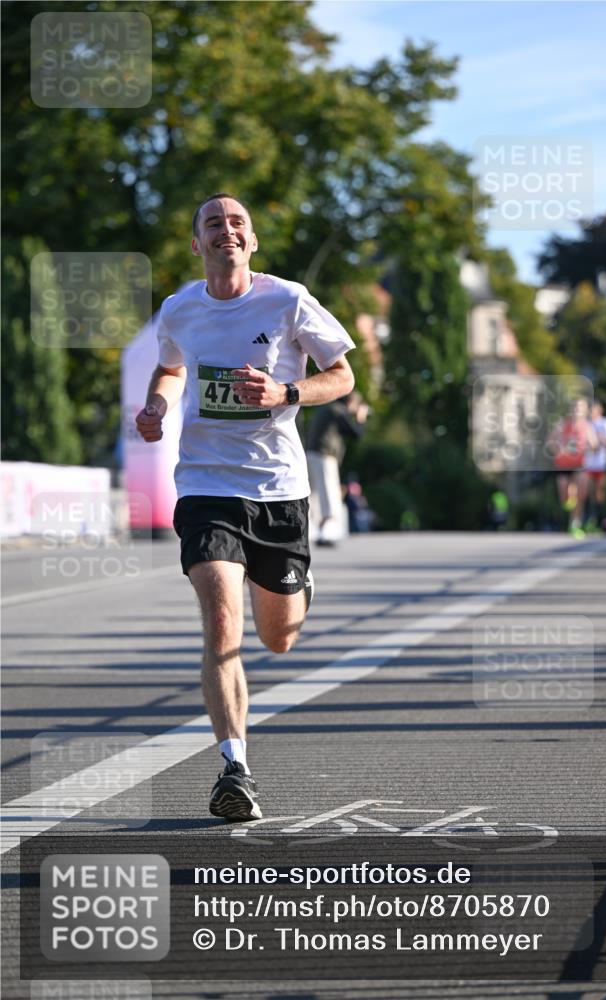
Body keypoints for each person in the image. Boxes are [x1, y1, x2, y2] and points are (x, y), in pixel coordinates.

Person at [135, 193, 355, 821]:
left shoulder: (286, 299)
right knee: (221, 618)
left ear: (251, 242)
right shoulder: (179, 309)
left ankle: (299, 584)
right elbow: (169, 370)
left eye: (237, 223)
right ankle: (236, 767)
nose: (226, 230)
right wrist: (157, 406)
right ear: (198, 244)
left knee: (278, 637)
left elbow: (342, 376)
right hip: (206, 485)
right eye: (213, 223)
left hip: (279, 489)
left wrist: (287, 390)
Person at [305, 391, 368, 545]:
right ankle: (327, 533)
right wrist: (360, 418)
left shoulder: (325, 409)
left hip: (310, 454)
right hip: (325, 456)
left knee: (313, 495)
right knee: (329, 494)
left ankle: (315, 531)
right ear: (351, 401)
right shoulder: (338, 411)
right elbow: (356, 434)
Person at [547, 398, 596, 537]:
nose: (576, 410)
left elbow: (594, 443)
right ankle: (569, 504)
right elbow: (550, 442)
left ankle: (575, 523)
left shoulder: (587, 426)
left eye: (580, 407)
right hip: (563, 464)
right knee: (565, 496)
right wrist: (558, 448)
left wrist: (591, 446)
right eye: (574, 407)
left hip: (580, 464)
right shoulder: (562, 424)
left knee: (580, 494)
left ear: (585, 410)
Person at [580, 400, 606, 531]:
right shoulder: (585, 423)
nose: (590, 411)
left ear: (600, 410)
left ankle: (602, 521)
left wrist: (601, 439)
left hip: (601, 464)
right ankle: (588, 521)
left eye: (593, 409)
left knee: (599, 494)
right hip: (586, 465)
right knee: (586, 494)